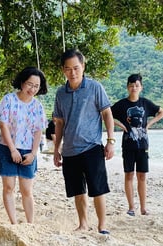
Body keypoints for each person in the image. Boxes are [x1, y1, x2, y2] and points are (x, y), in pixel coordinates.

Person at [52, 49, 116, 235]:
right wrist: (57, 149)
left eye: (76, 68)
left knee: (98, 189)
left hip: (92, 147)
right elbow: (60, 123)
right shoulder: (60, 93)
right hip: (70, 150)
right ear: (63, 70)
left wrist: (110, 141)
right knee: (78, 190)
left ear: (83, 67)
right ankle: (83, 223)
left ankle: (102, 224)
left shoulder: (95, 87)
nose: (73, 72)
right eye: (68, 69)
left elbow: (107, 114)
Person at [0, 67, 48, 224]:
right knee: (8, 187)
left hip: (28, 150)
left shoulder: (38, 106)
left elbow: (38, 131)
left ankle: (30, 223)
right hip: (7, 147)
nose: (32, 89)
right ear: (22, 82)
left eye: (36, 86)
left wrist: (33, 153)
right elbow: (3, 126)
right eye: (30, 84)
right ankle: (14, 223)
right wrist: (12, 149)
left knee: (26, 190)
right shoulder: (8, 100)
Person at [111, 73, 163, 216]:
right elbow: (106, 115)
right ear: (127, 87)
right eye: (131, 85)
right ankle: (131, 207)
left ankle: (143, 208)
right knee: (129, 175)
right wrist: (120, 125)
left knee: (142, 176)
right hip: (128, 145)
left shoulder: (145, 103)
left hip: (143, 145)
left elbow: (162, 112)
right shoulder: (122, 104)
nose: (134, 88)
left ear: (141, 87)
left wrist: (149, 124)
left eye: (136, 85)